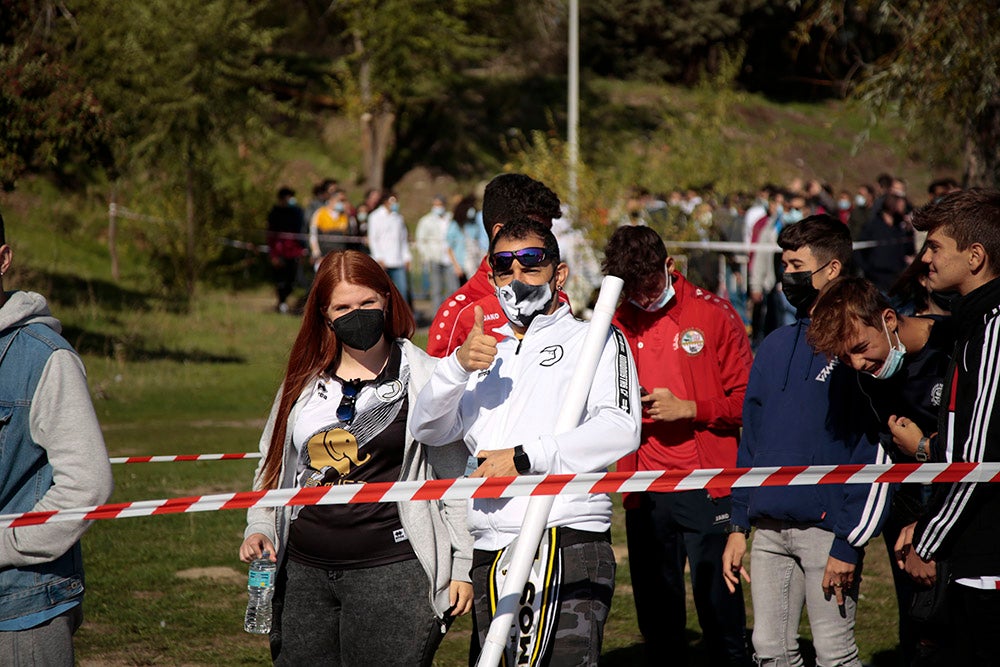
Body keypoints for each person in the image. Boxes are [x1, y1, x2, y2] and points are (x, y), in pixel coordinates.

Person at [411, 218, 641, 666]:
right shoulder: (483, 350)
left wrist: (524, 458)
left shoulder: (595, 339)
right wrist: (457, 367)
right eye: (503, 265)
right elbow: (428, 428)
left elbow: (620, 428)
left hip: (567, 536)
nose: (517, 276)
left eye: (531, 263)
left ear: (559, 274)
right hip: (489, 546)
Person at [239, 250, 473, 666]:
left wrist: (462, 565)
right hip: (303, 575)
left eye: (367, 303)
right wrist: (260, 528)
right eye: (343, 307)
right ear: (325, 315)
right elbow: (271, 466)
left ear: (387, 299)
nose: (357, 314)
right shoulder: (303, 382)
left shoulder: (425, 377)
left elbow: (454, 479)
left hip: (393, 572)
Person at [722, 215, 891, 667]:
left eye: (796, 264)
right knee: (770, 652)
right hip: (770, 529)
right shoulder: (774, 345)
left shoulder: (858, 346)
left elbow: (875, 448)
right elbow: (751, 439)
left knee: (835, 654)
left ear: (831, 269)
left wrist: (849, 542)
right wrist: (739, 524)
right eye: (783, 264)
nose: (786, 275)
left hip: (826, 531)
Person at [602, 226, 753, 667]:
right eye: (634, 292)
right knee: (657, 621)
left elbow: (747, 403)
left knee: (720, 614)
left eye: (649, 289)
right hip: (644, 487)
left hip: (707, 484)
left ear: (670, 267)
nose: (644, 300)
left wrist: (690, 408)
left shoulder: (715, 314)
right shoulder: (614, 322)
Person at [808, 276, 955, 665]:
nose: (857, 364)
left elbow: (977, 448)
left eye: (859, 348)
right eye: (844, 358)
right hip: (908, 513)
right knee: (918, 622)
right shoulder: (863, 378)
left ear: (889, 318)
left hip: (966, 510)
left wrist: (925, 448)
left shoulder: (956, 345)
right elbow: (882, 454)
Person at [886, 188, 1000, 667]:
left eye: (935, 247)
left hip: (988, 561)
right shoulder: (971, 324)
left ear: (975, 257)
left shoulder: (993, 326)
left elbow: (977, 457)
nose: (924, 258)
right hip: (968, 547)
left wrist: (929, 541)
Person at [0, 212, 115, 664]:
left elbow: (87, 486)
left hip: (20, 610)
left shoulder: (44, 359)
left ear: (3, 258)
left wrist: (5, 544)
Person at [426, 173, 563, 358]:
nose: (549, 242)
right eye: (538, 231)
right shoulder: (459, 313)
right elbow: (437, 384)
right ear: (499, 232)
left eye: (548, 232)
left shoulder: (557, 297)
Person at [267, 187, 306, 313]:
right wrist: (273, 255)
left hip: (293, 252)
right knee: (281, 280)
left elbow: (300, 233)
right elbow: (270, 236)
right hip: (280, 252)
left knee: (292, 280)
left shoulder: (297, 212)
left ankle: (284, 301)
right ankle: (281, 302)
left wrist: (301, 250)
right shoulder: (275, 213)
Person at [366, 192, 412, 300]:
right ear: (385, 201)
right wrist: (379, 257)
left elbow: (403, 239)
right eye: (392, 201)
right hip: (383, 261)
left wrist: (407, 256)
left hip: (398, 260)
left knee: (402, 291)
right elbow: (373, 239)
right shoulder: (375, 216)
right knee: (383, 292)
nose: (394, 204)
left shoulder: (398, 218)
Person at [415, 195, 456, 310]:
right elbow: (421, 240)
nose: (437, 207)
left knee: (452, 288)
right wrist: (428, 255)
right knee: (436, 289)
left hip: (449, 258)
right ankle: (437, 316)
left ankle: (451, 314)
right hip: (435, 257)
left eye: (439, 205)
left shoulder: (450, 218)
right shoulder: (426, 220)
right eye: (435, 205)